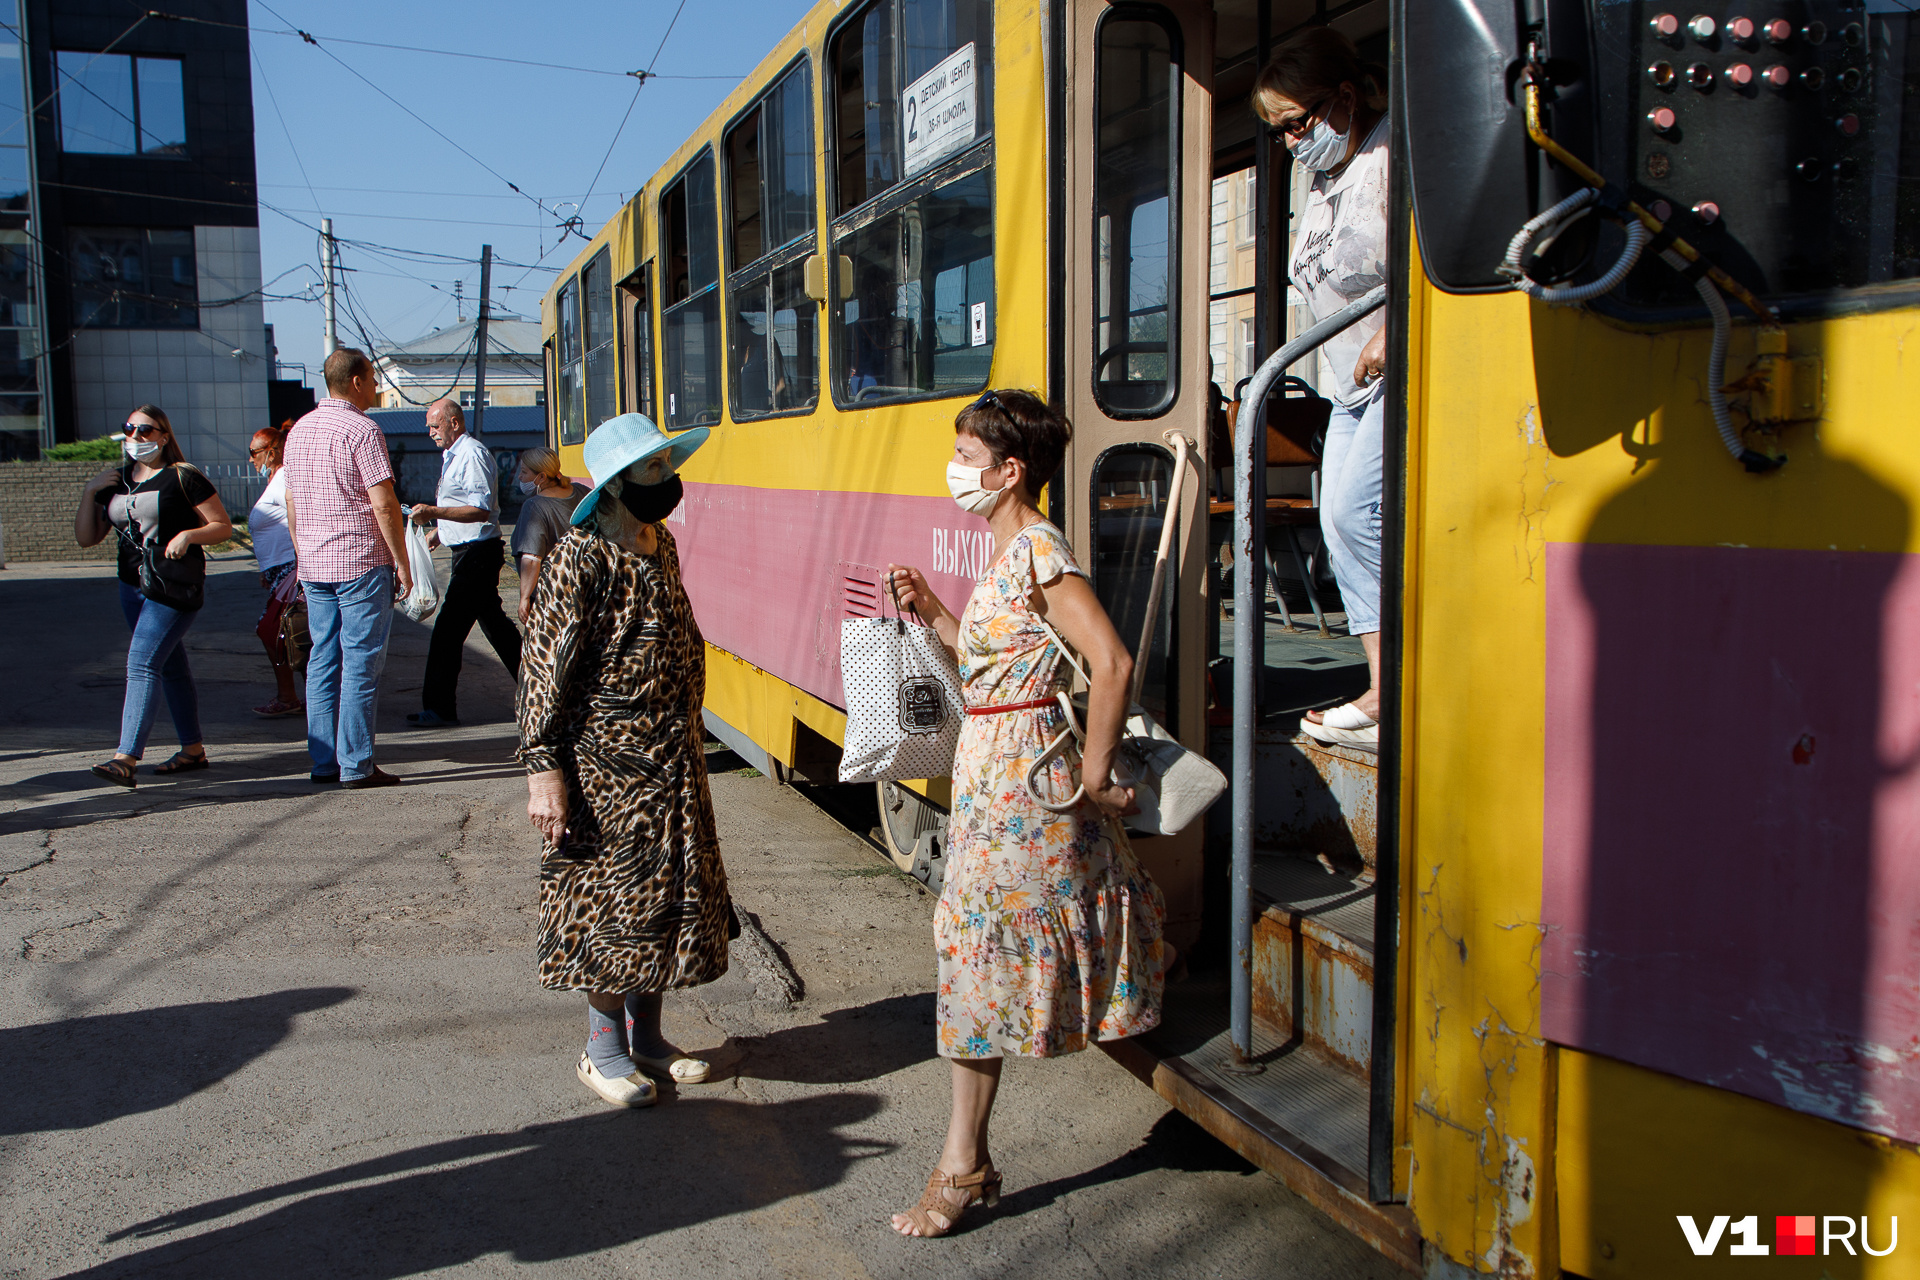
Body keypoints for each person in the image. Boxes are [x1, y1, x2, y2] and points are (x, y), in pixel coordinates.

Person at [883, 389, 1167, 1238]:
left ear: (1010, 471)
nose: (957, 469)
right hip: (995, 777)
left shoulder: (1039, 548)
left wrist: (1091, 772)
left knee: (972, 959)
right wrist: (933, 607)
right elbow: (984, 671)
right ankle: (1157, 970)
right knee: (1045, 913)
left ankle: (963, 1166)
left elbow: (1110, 662)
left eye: (969, 456)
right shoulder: (1002, 548)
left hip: (1027, 785)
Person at [519, 413, 732, 1110]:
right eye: (651, 472)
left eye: (668, 468)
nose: (667, 482)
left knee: (666, 897)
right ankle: (602, 1050)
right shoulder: (580, 555)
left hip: (669, 756)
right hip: (605, 764)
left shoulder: (658, 542)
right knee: (610, 908)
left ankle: (648, 1040)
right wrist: (544, 771)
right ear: (614, 485)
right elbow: (544, 669)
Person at [1254, 27, 1390, 747]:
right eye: (1278, 131)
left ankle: (1389, 686)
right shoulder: (1325, 178)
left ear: (1342, 96)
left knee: (1350, 511)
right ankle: (1380, 682)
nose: (1289, 142)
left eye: (1295, 124)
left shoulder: (1394, 157)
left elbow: (1434, 258)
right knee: (1339, 522)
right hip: (1346, 384)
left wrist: (1391, 330)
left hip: (1394, 375)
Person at [73, 405, 233, 786]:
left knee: (141, 663)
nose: (136, 437)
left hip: (172, 585)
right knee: (171, 666)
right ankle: (193, 749)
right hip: (132, 586)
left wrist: (188, 535)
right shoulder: (117, 481)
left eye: (146, 430)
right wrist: (90, 491)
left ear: (163, 435)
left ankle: (125, 758)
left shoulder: (183, 476)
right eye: (129, 429)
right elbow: (85, 538)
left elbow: (222, 526)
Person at [283, 347, 414, 789]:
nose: (377, 386)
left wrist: (302, 553)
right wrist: (402, 560)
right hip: (359, 559)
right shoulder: (362, 430)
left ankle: (323, 761)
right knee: (361, 662)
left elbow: (291, 501)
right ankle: (356, 764)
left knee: (322, 659)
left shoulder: (299, 431)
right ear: (356, 381)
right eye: (373, 379)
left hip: (315, 562)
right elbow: (383, 502)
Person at [406, 398, 521, 728]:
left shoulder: (471, 454)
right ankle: (541, 690)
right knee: (497, 629)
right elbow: (460, 506)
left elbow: (480, 510)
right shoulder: (454, 455)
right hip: (468, 552)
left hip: (478, 554)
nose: (430, 432)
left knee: (447, 632)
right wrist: (438, 533)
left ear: (455, 422)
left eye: (434, 425)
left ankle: (439, 708)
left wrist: (433, 513)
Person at [247, 427, 302, 718]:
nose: (251, 458)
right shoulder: (274, 479)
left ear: (271, 451)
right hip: (277, 570)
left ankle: (296, 696)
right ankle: (294, 695)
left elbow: (298, 516)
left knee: (275, 630)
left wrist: (299, 562)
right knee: (284, 631)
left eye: (254, 452)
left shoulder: (283, 477)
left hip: (290, 569)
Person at [509, 446, 588, 624]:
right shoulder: (581, 492)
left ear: (541, 477)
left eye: (524, 472)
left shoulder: (535, 506)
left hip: (554, 598)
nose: (520, 477)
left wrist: (525, 597)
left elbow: (532, 558)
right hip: (588, 588)